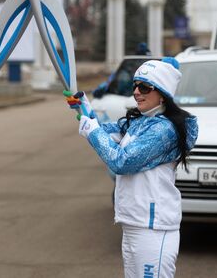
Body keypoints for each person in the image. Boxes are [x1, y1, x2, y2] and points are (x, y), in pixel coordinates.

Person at [66, 57, 198, 278]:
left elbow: (122, 162)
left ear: (163, 93)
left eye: (145, 87)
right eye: (135, 85)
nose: (137, 92)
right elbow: (103, 133)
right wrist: (85, 110)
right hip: (133, 223)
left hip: (153, 228)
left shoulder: (164, 130)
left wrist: (92, 129)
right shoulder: (139, 122)